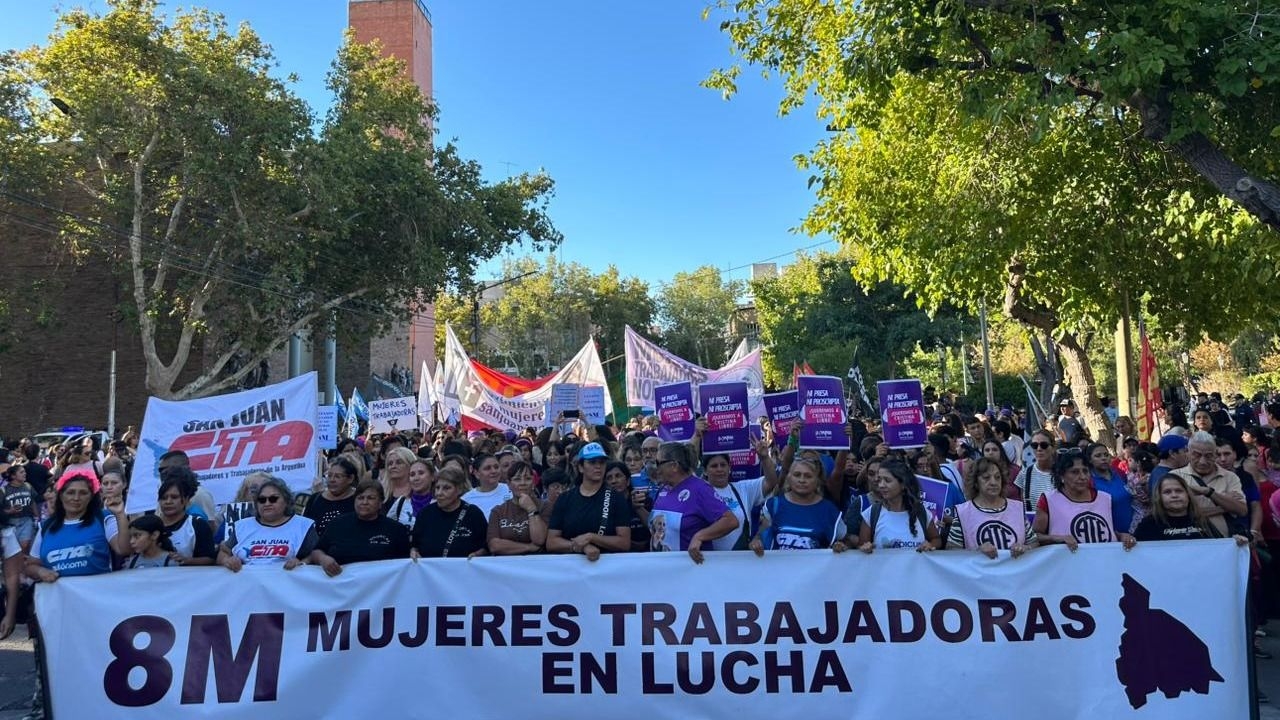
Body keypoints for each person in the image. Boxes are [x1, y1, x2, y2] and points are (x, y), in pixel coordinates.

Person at [648, 442, 738, 563]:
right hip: (662, 568)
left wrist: (699, 536)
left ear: (674, 466)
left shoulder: (699, 489)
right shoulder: (663, 489)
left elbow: (730, 521)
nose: (656, 468)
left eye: (658, 463)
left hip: (690, 568)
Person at [1033, 450, 1137, 550]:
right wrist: (1057, 538)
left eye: (1085, 471)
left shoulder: (1105, 498)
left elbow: (1108, 532)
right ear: (1061, 476)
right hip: (1066, 561)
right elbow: (1034, 537)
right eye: (1075, 472)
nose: (1082, 477)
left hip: (1104, 560)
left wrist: (1122, 536)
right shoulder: (1049, 500)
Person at [546, 443, 633, 561]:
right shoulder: (565, 499)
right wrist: (581, 547)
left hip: (607, 567)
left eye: (602, 462)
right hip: (571, 567)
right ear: (581, 467)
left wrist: (592, 537)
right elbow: (551, 542)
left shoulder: (616, 499)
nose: (598, 466)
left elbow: (624, 542)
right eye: (592, 462)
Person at [309, 480, 411, 574]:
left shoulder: (396, 530)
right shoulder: (337, 523)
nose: (364, 502)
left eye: (370, 498)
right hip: (340, 583)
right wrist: (323, 559)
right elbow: (316, 551)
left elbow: (405, 566)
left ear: (380, 503)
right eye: (360, 498)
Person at [217, 477, 318, 571]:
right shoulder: (242, 526)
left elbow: (316, 554)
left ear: (286, 501)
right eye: (262, 500)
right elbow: (223, 552)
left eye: (273, 499)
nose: (267, 503)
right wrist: (228, 561)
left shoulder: (303, 526)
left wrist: (302, 563)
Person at [749, 457, 844, 553]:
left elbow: (846, 539)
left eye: (808, 476)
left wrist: (842, 545)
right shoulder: (773, 505)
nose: (802, 480)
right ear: (789, 478)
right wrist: (756, 542)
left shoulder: (829, 510)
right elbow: (760, 535)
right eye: (797, 475)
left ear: (818, 480)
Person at [946, 457, 1036, 557]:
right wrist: (977, 552)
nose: (993, 482)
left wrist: (1026, 548)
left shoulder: (1017, 509)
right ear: (976, 482)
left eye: (997, 477)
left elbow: (1034, 543)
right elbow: (952, 551)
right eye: (986, 478)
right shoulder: (963, 512)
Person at [701, 438, 779, 551]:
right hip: (708, 559)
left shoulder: (743, 489)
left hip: (740, 558)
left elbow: (771, 482)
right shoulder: (698, 492)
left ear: (729, 468)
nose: (719, 469)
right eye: (714, 466)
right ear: (704, 471)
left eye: (723, 465)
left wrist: (764, 458)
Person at [1171, 431, 1249, 538]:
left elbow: (1242, 510)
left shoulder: (1230, 477)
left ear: (1215, 454)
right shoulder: (1175, 477)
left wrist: (1209, 492)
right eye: (1196, 455)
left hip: (1223, 542)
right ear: (1187, 453)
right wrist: (1224, 506)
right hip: (1187, 541)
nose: (1202, 461)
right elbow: (1173, 514)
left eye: (1208, 456)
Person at [1135, 474, 1250, 544]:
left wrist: (1234, 542)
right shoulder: (1149, 524)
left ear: (1188, 495)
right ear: (1159, 497)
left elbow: (1219, 548)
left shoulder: (1201, 521)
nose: (1174, 495)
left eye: (1179, 491)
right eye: (1167, 492)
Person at [854, 460, 940, 552]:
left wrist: (930, 545)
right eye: (879, 480)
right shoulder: (871, 514)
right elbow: (861, 546)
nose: (881, 485)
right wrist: (865, 548)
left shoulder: (921, 512)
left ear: (903, 484)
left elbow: (936, 539)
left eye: (887, 480)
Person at [410, 466, 489, 559]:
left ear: (459, 489)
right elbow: (415, 545)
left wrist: (477, 555)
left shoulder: (473, 514)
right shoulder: (425, 514)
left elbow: (486, 547)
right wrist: (414, 552)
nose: (439, 493)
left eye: (446, 488)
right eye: (437, 488)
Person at [154, 472, 217, 565]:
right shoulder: (150, 525)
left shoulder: (198, 525)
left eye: (174, 497)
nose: (168, 502)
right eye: (164, 498)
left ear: (186, 499)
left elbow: (210, 559)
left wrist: (187, 560)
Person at [487, 461, 548, 556]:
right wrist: (529, 547)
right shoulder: (498, 511)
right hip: (506, 563)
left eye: (528, 479)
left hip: (536, 562)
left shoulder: (545, 506)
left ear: (533, 483)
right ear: (508, 484)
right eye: (517, 479)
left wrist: (531, 509)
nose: (523, 483)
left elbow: (539, 540)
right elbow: (494, 545)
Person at [1085, 442, 1134, 536]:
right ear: (1090, 460)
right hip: (1109, 535)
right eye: (1098, 456)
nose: (1103, 458)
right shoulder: (1088, 481)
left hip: (1133, 530)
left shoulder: (1120, 474)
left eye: (1106, 455)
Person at [304, 456, 360, 537]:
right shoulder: (315, 499)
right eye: (329, 475)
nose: (332, 480)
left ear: (350, 478)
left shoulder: (359, 500)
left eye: (337, 476)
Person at [602, 460, 650, 552]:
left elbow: (656, 528)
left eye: (618, 476)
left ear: (628, 481)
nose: (614, 481)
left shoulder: (643, 500)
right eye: (609, 478)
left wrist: (639, 509)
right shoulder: (603, 507)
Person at [462, 453, 513, 521]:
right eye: (487, 468)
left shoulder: (512, 489)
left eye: (496, 467)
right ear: (476, 473)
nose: (493, 471)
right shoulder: (467, 500)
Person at [387, 458, 434, 529]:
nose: (416, 478)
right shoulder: (402, 501)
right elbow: (387, 526)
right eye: (412, 475)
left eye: (421, 473)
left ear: (432, 477)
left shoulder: (440, 502)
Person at [1016, 429, 1057, 510]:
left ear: (1053, 448)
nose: (1039, 449)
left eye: (1044, 445)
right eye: (1034, 445)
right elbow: (1021, 504)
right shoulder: (1024, 474)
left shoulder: (1063, 473)